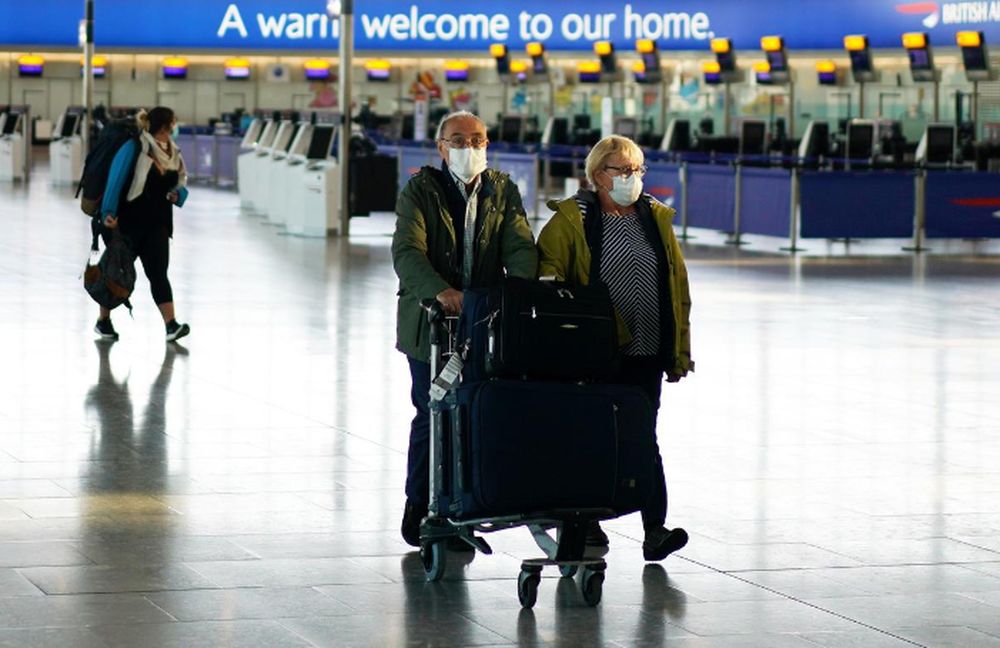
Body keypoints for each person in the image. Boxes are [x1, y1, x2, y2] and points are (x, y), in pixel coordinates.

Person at [536, 135, 694, 562]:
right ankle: (586, 522)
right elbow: (547, 271)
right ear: (595, 175)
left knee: (644, 439)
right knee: (592, 437)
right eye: (621, 170)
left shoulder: (655, 218)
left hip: (647, 350)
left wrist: (678, 350)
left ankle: (654, 530)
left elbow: (676, 288)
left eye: (637, 170)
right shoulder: (572, 219)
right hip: (596, 350)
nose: (631, 178)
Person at [392, 110, 537, 547]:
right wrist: (442, 291)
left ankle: (464, 507)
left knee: (476, 414)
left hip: (483, 323)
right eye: (458, 140)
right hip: (431, 324)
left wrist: (523, 289)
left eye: (477, 140)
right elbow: (407, 251)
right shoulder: (420, 190)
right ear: (441, 148)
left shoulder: (501, 189)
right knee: (431, 413)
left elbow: (518, 242)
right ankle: (421, 504)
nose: (468, 148)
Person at [94, 107, 190, 343]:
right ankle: (103, 321)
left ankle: (171, 325)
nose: (172, 130)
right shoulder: (135, 147)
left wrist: (179, 196)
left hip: (158, 223)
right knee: (116, 272)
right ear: (161, 127)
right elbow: (116, 180)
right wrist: (108, 212)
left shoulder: (173, 151)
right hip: (129, 222)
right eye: (170, 126)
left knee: (159, 274)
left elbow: (180, 183)